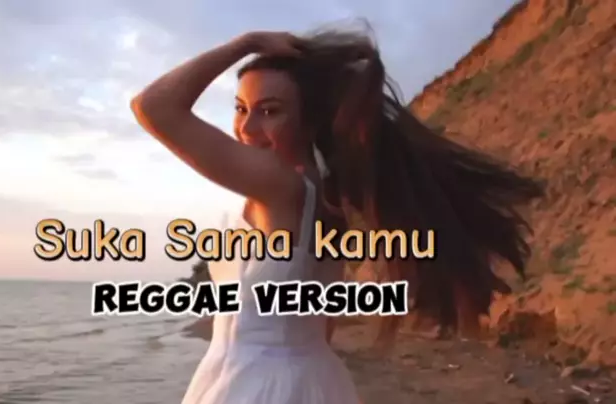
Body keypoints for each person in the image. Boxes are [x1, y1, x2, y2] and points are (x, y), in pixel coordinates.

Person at [131, 20, 543, 404]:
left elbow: (153, 106)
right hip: (304, 377)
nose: (247, 128)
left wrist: (246, 43)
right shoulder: (325, 193)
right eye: (241, 108)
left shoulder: (281, 187)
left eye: (270, 111)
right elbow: (321, 318)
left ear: (310, 123)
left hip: (255, 383)